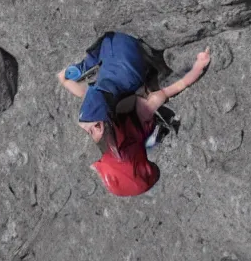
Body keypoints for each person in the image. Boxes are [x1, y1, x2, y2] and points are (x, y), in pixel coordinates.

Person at [59, 42, 212, 196]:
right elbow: (175, 86)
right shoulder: (131, 120)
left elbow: (87, 95)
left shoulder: (124, 130)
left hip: (126, 74)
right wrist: (198, 67)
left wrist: (197, 67)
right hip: (129, 73)